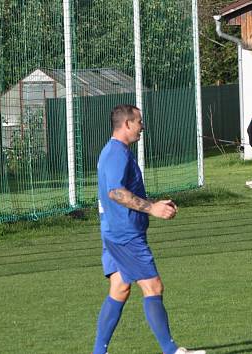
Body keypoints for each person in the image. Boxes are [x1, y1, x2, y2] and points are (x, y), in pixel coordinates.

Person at [93, 104, 205, 354]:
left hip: (115, 232)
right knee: (153, 287)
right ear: (127, 124)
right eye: (139, 121)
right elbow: (115, 192)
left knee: (120, 288)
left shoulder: (116, 151)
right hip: (125, 235)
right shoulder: (116, 153)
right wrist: (152, 208)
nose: (142, 126)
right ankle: (171, 350)